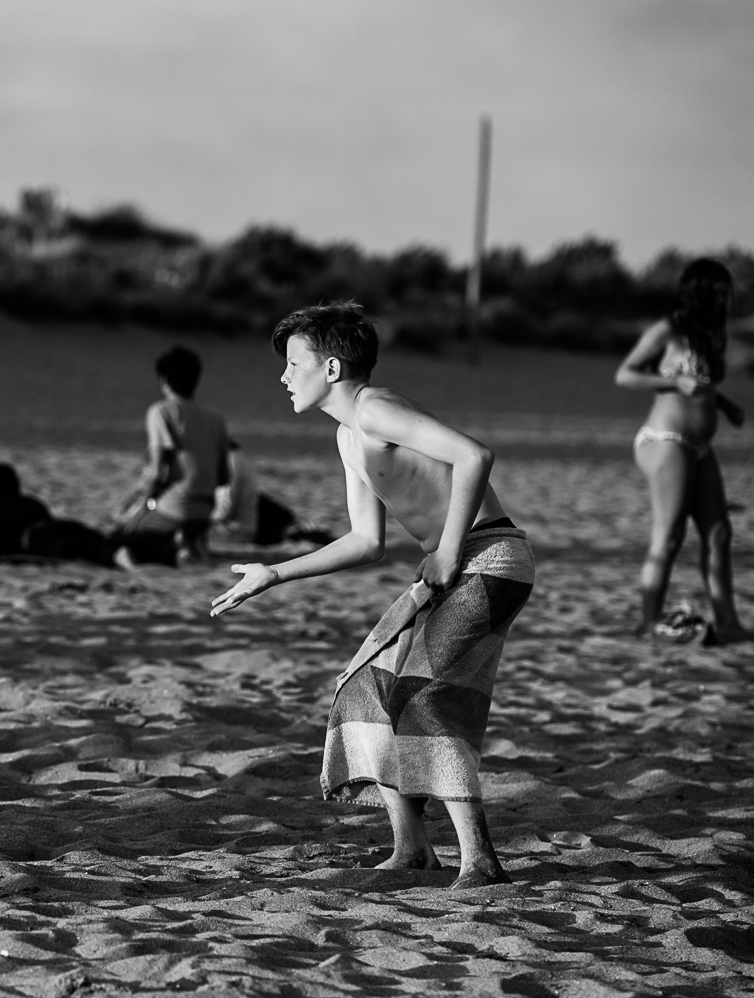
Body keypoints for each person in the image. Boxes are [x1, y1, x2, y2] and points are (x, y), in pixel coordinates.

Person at [210, 301, 535, 890]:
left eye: (293, 363)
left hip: (491, 558)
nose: (284, 377)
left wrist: (447, 551)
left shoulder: (376, 408)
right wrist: (274, 573)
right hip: (457, 565)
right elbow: (366, 542)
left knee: (423, 699)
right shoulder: (346, 436)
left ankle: (480, 861)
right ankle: (412, 850)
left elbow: (474, 456)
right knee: (364, 688)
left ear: (331, 368)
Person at [615, 258, 748, 644]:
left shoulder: (707, 333)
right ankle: (648, 622)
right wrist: (672, 383)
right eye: (719, 292)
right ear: (700, 292)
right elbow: (624, 374)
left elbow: (699, 381)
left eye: (728, 293)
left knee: (720, 533)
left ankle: (729, 622)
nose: (726, 299)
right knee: (670, 535)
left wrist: (723, 404)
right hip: (665, 440)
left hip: (700, 446)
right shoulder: (667, 330)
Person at [112, 346, 230, 565]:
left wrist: (141, 509)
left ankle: (174, 547)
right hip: (203, 514)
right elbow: (223, 477)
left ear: (165, 380)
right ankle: (186, 541)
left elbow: (157, 472)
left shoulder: (160, 411)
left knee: (118, 540)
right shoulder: (217, 419)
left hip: (176, 508)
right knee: (154, 530)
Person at [211, 441, 335, 548]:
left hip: (234, 534)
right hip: (248, 526)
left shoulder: (230, 458)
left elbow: (223, 512)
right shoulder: (229, 456)